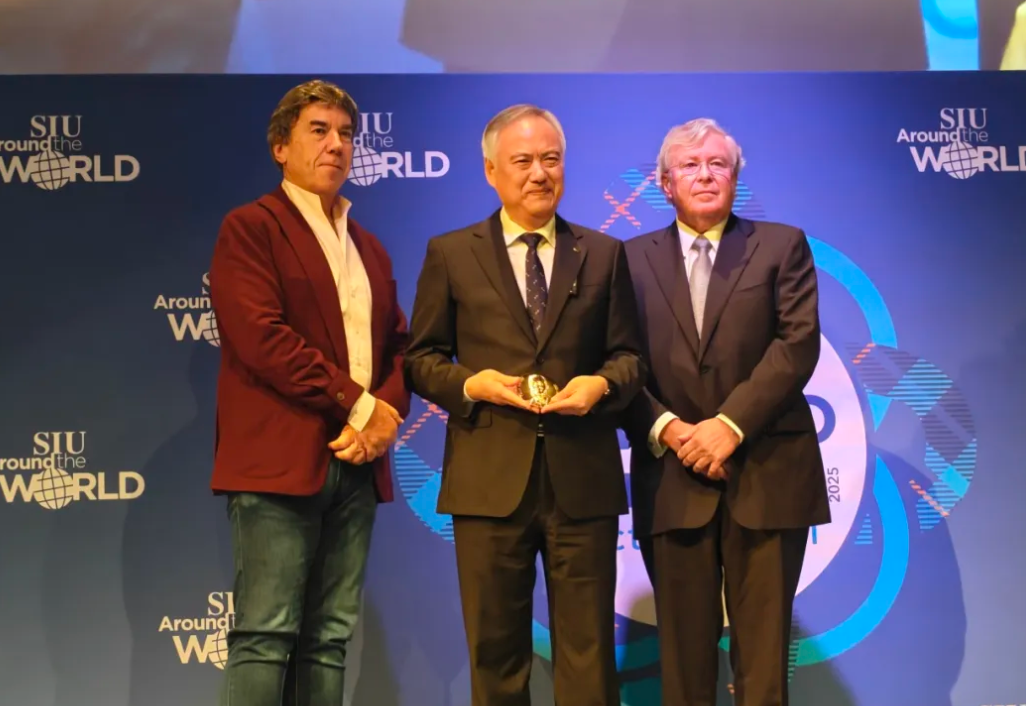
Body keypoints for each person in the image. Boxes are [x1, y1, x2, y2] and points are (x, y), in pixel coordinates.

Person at [404, 104, 645, 706]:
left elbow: (630, 358)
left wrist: (601, 387)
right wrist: (472, 385)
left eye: (551, 159)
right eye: (523, 161)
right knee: (495, 654)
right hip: (488, 482)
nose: (540, 173)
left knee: (589, 652)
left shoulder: (603, 253)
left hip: (581, 481)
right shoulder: (451, 253)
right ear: (491, 171)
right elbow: (420, 359)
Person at [207, 79, 410, 706]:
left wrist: (385, 416)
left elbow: (399, 347)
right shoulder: (251, 227)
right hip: (278, 462)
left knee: (328, 639)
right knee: (266, 634)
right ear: (280, 147)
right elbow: (262, 339)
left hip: (358, 464)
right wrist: (361, 405)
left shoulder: (368, 246)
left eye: (345, 134)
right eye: (318, 131)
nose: (336, 145)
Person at [621, 118, 831, 706]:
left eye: (718, 164)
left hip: (767, 476)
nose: (706, 174)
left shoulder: (782, 246)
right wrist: (672, 430)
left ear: (736, 178)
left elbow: (796, 345)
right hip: (672, 477)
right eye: (690, 165)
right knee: (683, 666)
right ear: (665, 183)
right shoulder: (626, 260)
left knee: (763, 665)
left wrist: (729, 427)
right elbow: (617, 362)